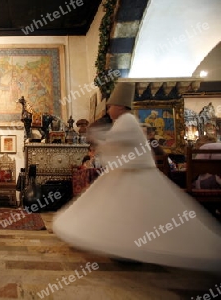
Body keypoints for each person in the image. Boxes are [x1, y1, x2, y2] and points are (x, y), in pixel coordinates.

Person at [53, 82, 221, 272]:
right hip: (128, 173)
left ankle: (126, 248)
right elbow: (115, 144)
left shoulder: (127, 121)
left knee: (130, 214)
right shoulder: (125, 121)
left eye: (111, 106)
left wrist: (96, 134)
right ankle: (124, 247)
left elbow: (114, 142)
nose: (108, 109)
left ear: (121, 107)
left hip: (134, 176)